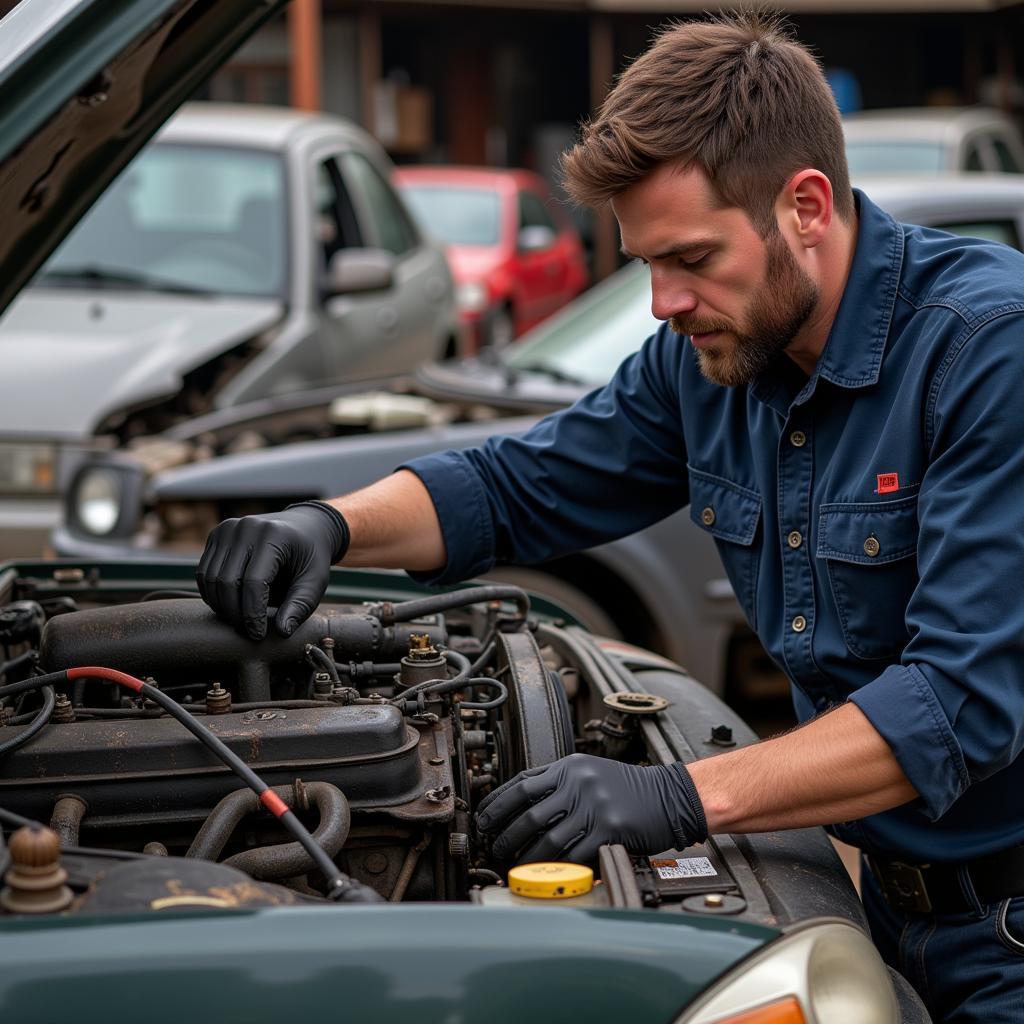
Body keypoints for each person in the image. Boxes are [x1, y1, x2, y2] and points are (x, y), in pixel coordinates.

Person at [196, 12, 1024, 1020]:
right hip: (888, 910)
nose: (664, 302)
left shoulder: (986, 352)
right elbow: (515, 483)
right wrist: (325, 524)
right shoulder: (712, 360)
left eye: (690, 257)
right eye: (644, 266)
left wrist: (678, 795)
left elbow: (956, 706)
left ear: (805, 204)